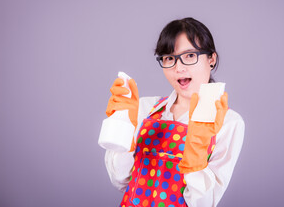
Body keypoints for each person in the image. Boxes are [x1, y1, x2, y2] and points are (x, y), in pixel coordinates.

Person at [102, 17, 245, 207]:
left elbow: (203, 203)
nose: (179, 68)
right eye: (169, 58)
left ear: (211, 59)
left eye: (190, 56)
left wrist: (196, 157)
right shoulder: (143, 108)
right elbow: (121, 181)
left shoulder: (228, 123)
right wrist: (122, 129)